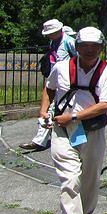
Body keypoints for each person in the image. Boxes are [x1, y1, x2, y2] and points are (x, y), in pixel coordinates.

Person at [45, 26, 107, 214]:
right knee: (70, 180)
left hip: (91, 131)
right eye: (84, 45)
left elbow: (105, 104)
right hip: (62, 130)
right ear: (77, 46)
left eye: (94, 46)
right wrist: (43, 112)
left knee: (90, 177)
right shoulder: (62, 67)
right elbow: (49, 88)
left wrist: (74, 116)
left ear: (101, 47)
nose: (89, 50)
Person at [20, 19, 78, 152]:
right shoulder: (53, 42)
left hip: (67, 80)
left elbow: (78, 59)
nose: (49, 35)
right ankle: (40, 140)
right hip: (55, 78)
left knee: (66, 108)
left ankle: (65, 138)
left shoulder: (69, 41)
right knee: (50, 108)